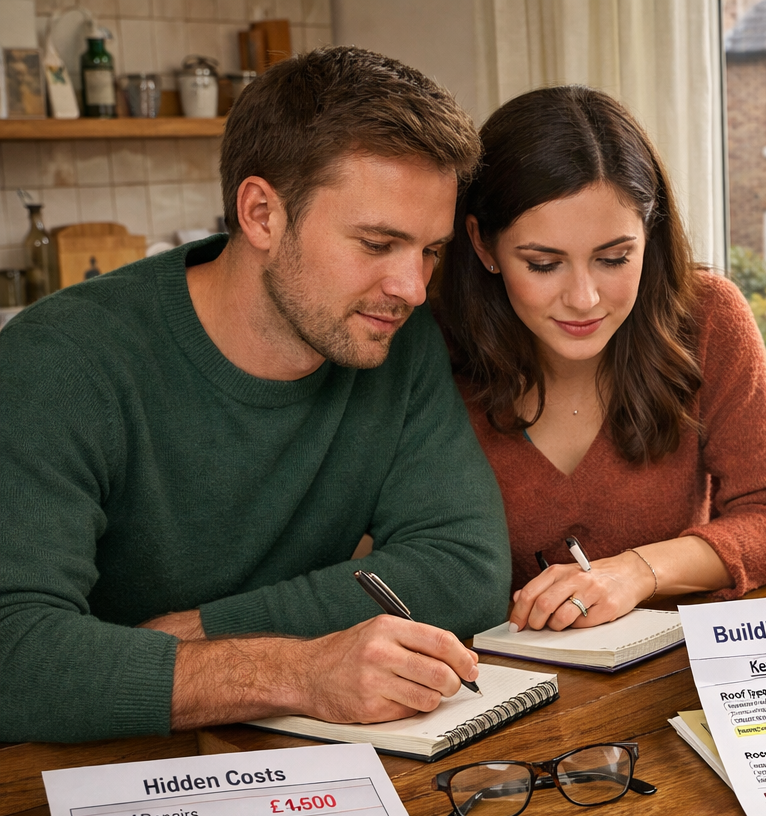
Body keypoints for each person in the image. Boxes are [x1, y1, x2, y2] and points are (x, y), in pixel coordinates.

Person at [0, 47, 512, 744]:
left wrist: (212, 632)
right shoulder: (58, 362)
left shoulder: (392, 334)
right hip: (76, 783)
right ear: (261, 213)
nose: (413, 288)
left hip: (288, 765)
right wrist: (292, 670)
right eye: (376, 243)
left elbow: (466, 568)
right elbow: (16, 654)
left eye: (429, 249)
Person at [437, 86, 766, 631]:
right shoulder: (430, 344)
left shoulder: (708, 315)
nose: (584, 298)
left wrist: (639, 571)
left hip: (669, 675)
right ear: (482, 245)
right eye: (544, 264)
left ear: (650, 235)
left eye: (614, 258)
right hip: (496, 687)